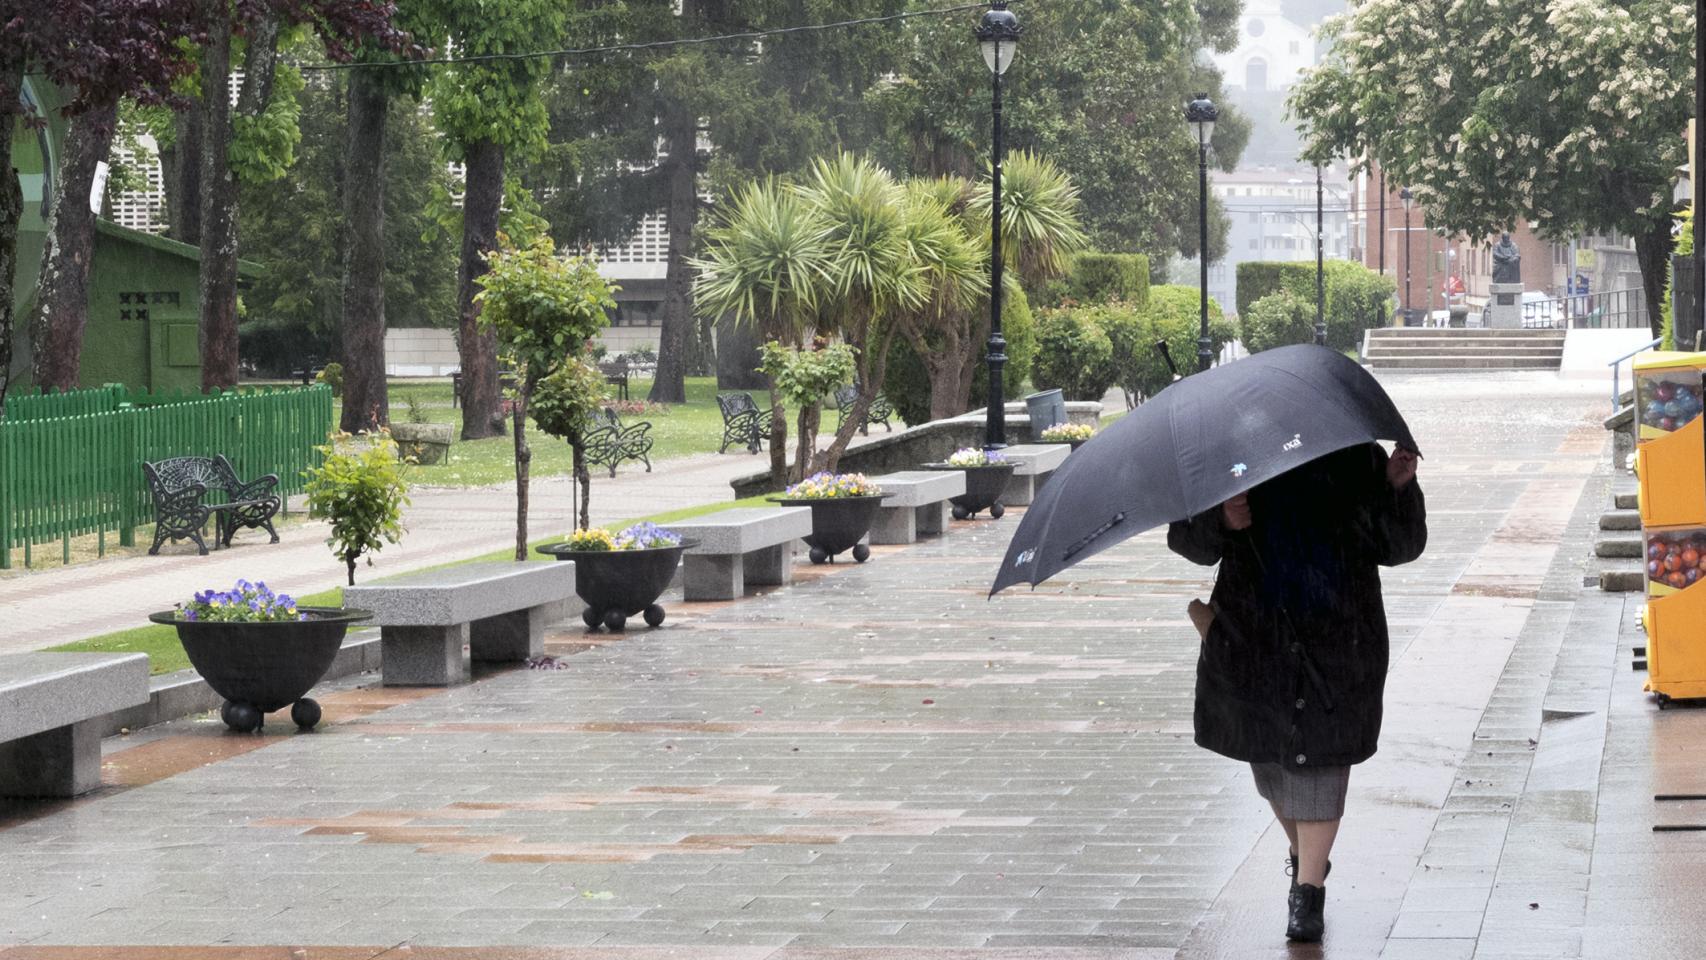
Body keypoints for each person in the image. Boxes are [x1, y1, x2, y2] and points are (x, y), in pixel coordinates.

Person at [1167, 441, 1425, 943]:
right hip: (1254, 633)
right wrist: (1221, 518)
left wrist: (1397, 488)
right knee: (1269, 759)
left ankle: (1307, 892)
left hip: (1339, 631)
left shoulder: (1358, 457)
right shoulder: (1228, 459)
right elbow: (1190, 543)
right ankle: (1306, 856)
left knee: (1323, 757)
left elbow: (1400, 547)